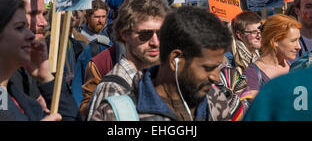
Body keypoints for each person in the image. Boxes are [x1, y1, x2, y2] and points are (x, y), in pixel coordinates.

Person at [90, 6, 233, 121]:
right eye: (208, 68)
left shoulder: (214, 101)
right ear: (175, 60)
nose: (216, 77)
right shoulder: (116, 114)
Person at [0, 0, 78, 121]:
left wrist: (45, 77)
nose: (30, 35)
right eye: (19, 27)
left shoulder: (10, 95)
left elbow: (70, 118)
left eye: (27, 27)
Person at [85, 0, 169, 120]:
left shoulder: (162, 79)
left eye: (161, 33)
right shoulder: (113, 89)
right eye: (145, 34)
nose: (155, 42)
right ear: (125, 34)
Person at [243, 14, 301, 97]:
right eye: (293, 41)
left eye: (298, 40)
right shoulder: (252, 74)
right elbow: (255, 108)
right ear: (275, 41)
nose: (299, 47)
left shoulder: (295, 66)